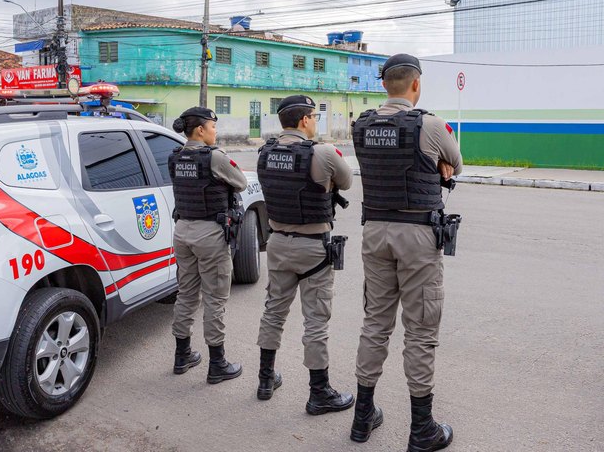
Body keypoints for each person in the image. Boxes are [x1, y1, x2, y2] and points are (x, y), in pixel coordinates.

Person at [349, 54, 462, 452]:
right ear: (416, 84)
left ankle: (362, 419)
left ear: (385, 85)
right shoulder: (429, 125)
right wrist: (441, 164)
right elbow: (458, 164)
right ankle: (421, 430)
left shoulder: (360, 125)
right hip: (417, 235)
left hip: (375, 232)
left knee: (375, 323)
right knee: (420, 330)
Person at [255, 95, 354, 413]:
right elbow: (347, 181)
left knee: (273, 312)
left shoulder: (265, 153)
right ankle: (319, 392)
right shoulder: (322, 153)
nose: (316, 121)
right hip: (313, 248)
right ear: (303, 120)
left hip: (278, 244)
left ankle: (265, 379)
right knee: (316, 321)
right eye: (314, 116)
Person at [168, 106, 248, 384]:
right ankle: (217, 363)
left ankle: (182, 355)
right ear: (201, 130)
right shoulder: (214, 157)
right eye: (213, 127)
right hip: (209, 233)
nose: (216, 132)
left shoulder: (175, 156)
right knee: (215, 298)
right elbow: (240, 183)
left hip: (182, 231)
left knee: (187, 293)